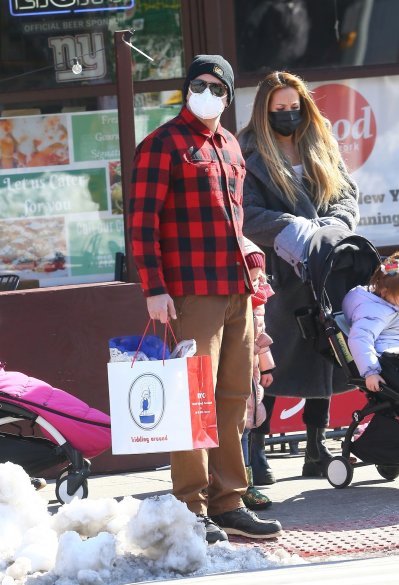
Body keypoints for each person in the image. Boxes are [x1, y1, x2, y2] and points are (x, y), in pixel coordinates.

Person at [128, 54, 282, 543]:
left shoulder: (232, 146)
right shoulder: (161, 144)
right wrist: (154, 287)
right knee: (192, 401)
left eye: (218, 86)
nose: (208, 91)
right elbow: (141, 223)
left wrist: (254, 285)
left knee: (233, 399)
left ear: (229, 95)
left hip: (237, 289)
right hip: (191, 292)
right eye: (199, 83)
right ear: (186, 88)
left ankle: (229, 501)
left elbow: (236, 224)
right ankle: (190, 509)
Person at [238, 71, 359, 479]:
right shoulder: (247, 150)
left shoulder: (320, 140)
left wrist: (331, 229)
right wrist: (291, 227)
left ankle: (315, 446)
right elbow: (245, 213)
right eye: (280, 110)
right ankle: (255, 448)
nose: (289, 116)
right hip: (277, 271)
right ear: (264, 111)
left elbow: (346, 194)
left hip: (325, 265)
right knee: (273, 358)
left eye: (295, 107)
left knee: (325, 350)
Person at [241, 239, 275, 510]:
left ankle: (248, 480)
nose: (256, 281)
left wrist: (267, 366)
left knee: (249, 429)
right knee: (239, 429)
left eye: (259, 276)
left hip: (252, 375)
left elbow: (261, 337)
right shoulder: (238, 303)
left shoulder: (258, 302)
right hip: (238, 374)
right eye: (251, 277)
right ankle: (241, 483)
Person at [342, 253, 399, 393]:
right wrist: (371, 372)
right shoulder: (375, 313)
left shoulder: (390, 305)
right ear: (385, 292)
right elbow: (360, 339)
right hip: (388, 363)